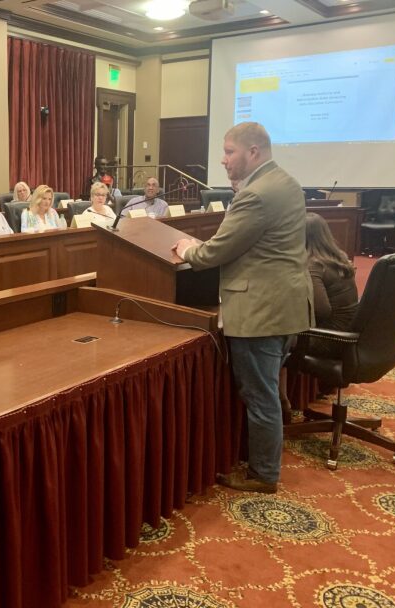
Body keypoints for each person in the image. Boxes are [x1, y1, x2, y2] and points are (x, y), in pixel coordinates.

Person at [173, 122, 313, 494]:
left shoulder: (257, 194)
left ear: (254, 152)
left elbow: (217, 251)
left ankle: (264, 474)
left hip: (260, 311)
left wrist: (188, 250)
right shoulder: (286, 182)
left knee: (259, 394)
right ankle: (265, 462)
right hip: (285, 305)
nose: (223, 159)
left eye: (229, 151)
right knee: (268, 388)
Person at [278, 213, 359, 419]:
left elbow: (320, 310)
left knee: (275, 338)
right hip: (348, 335)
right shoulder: (337, 257)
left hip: (329, 338)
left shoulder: (313, 264)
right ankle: (283, 399)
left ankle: (280, 403)